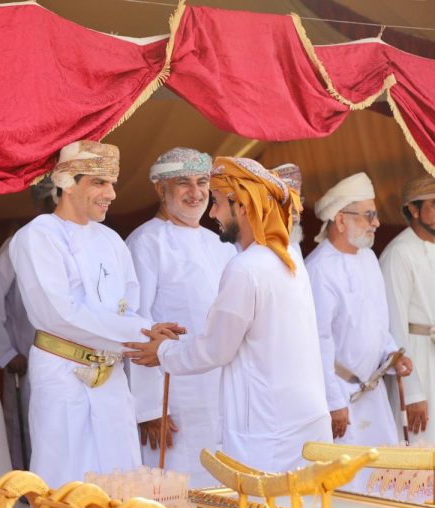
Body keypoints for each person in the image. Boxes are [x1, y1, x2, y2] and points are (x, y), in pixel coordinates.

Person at [126, 157, 332, 473]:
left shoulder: (246, 266)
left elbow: (216, 348)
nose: (212, 213)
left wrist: (163, 352)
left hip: (267, 426)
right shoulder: (288, 257)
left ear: (243, 206)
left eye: (218, 203)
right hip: (299, 418)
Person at [8, 140, 175, 488]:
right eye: (99, 182)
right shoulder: (37, 236)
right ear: (67, 183)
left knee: (120, 479)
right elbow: (58, 314)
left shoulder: (112, 240)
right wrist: (144, 333)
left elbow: (132, 309)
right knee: (66, 483)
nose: (111, 194)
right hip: (62, 375)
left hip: (112, 378)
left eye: (112, 183)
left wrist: (149, 334)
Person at [125, 147, 235, 486]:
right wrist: (149, 408)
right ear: (161, 190)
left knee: (222, 486)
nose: (196, 192)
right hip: (173, 398)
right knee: (176, 488)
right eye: (183, 183)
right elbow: (137, 324)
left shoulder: (220, 244)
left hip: (220, 390)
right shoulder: (145, 242)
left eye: (202, 182)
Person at [306, 172, 412, 468]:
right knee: (348, 479)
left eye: (374, 215)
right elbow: (318, 342)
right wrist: (333, 403)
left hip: (373, 394)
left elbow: (377, 322)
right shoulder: (318, 269)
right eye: (369, 215)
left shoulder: (368, 258)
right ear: (340, 220)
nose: (376, 223)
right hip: (342, 397)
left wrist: (392, 353)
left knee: (383, 477)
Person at [0, 177, 56, 470]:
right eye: (55, 197)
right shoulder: (21, 242)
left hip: (74, 365)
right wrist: (6, 352)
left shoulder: (84, 240)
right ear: (42, 203)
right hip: (26, 360)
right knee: (26, 431)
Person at [380, 173, 435, 443]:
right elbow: (394, 326)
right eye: (434, 204)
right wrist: (412, 393)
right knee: (420, 446)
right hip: (417, 362)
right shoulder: (398, 253)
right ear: (413, 209)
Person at [272, 163, 305, 259]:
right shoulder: (260, 249)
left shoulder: (293, 244)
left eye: (299, 200)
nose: (299, 208)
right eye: (292, 200)